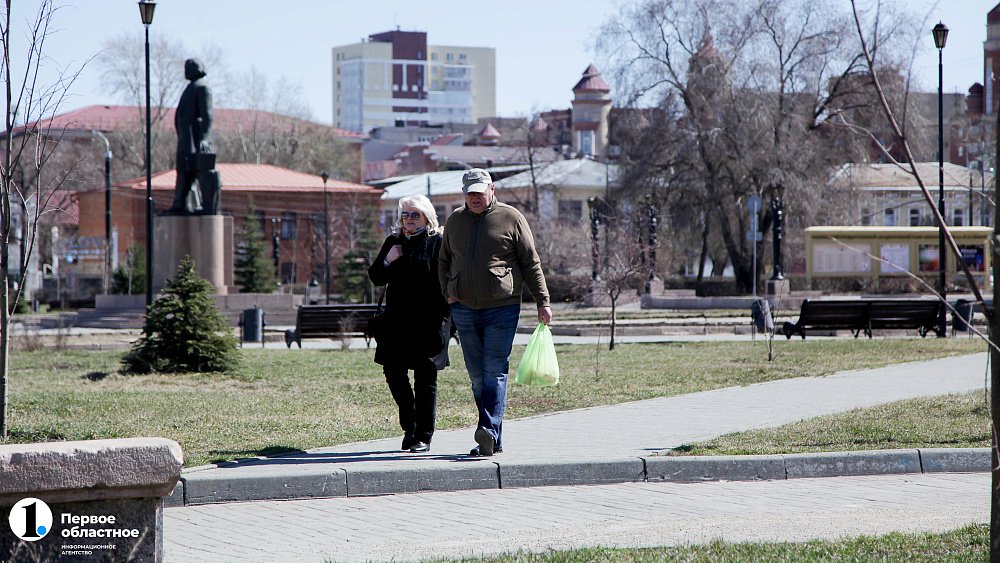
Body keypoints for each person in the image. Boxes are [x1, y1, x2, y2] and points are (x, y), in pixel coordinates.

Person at [439, 168, 552, 457]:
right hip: (463, 307)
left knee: (494, 370)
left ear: (492, 189)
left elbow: (531, 263)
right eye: (470, 193)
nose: (475, 197)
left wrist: (543, 301)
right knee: (477, 376)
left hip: (502, 307)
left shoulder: (511, 218)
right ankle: (493, 439)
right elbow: (443, 260)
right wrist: (447, 292)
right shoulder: (454, 220)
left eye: (480, 191)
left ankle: (487, 429)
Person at [368, 195, 451, 454]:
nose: (409, 219)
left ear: (427, 217)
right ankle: (410, 423)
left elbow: (447, 279)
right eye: (405, 214)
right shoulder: (394, 242)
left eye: (415, 214)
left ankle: (423, 435)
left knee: (426, 379)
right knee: (393, 373)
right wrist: (387, 260)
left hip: (429, 322)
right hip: (396, 322)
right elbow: (376, 277)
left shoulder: (438, 243)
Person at [170, 58, 220, 214]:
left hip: (196, 140)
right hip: (185, 140)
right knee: (184, 171)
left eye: (189, 67)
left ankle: (207, 206)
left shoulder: (203, 87)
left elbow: (207, 115)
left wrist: (204, 138)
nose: (186, 70)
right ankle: (180, 203)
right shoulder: (191, 88)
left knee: (200, 171)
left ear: (198, 68)